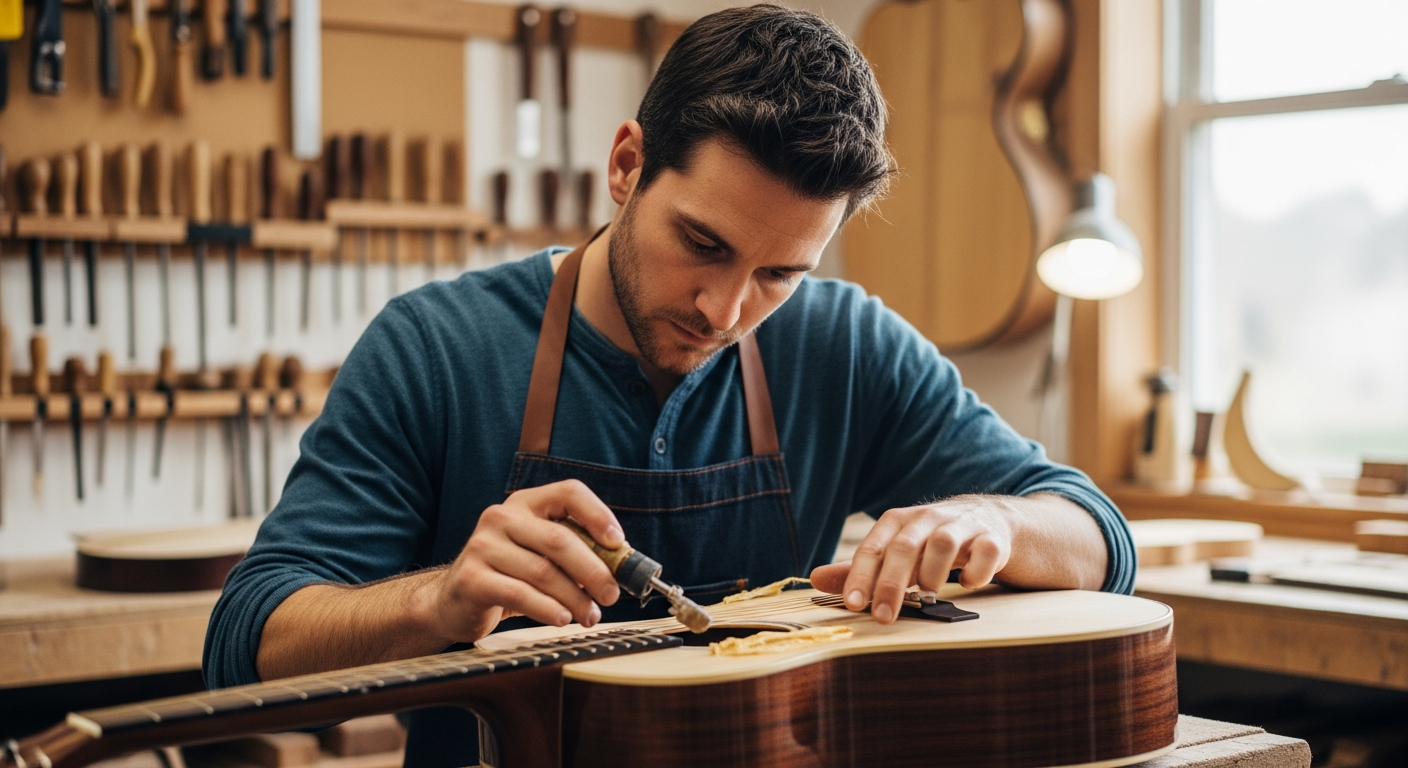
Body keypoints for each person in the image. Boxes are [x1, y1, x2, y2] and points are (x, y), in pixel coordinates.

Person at [205, 5, 1135, 766]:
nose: (727, 310)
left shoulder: (847, 345)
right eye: (704, 244)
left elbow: (1097, 533)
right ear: (626, 167)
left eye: (780, 274)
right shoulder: (436, 348)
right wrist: (436, 600)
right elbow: (244, 645)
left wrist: (996, 524)